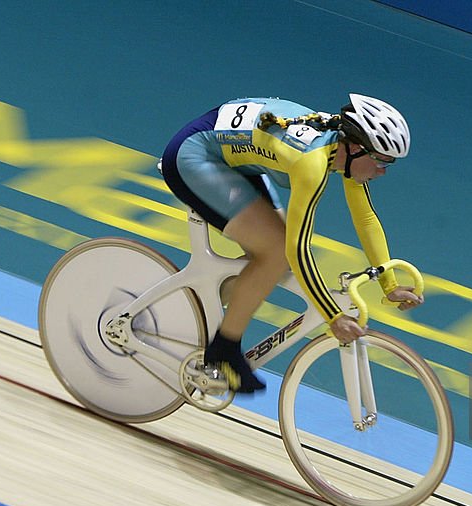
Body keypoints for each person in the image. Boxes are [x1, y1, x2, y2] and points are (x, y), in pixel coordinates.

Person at [160, 94, 425, 393]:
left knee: (274, 258)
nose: (383, 171)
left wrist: (388, 284)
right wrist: (333, 316)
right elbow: (298, 249)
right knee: (276, 251)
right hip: (195, 155)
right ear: (355, 148)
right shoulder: (311, 164)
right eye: (381, 161)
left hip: (235, 158)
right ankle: (223, 349)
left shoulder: (343, 151)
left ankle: (197, 311)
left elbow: (365, 219)